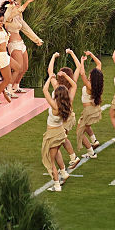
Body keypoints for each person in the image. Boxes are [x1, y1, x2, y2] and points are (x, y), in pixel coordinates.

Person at [41, 54, 78, 191]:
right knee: (56, 154)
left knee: (50, 161)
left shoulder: (54, 105)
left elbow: (45, 90)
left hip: (52, 133)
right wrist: (66, 76)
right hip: (60, 132)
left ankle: (57, 185)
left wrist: (49, 78)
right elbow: (74, 85)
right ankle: (63, 172)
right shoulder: (67, 103)